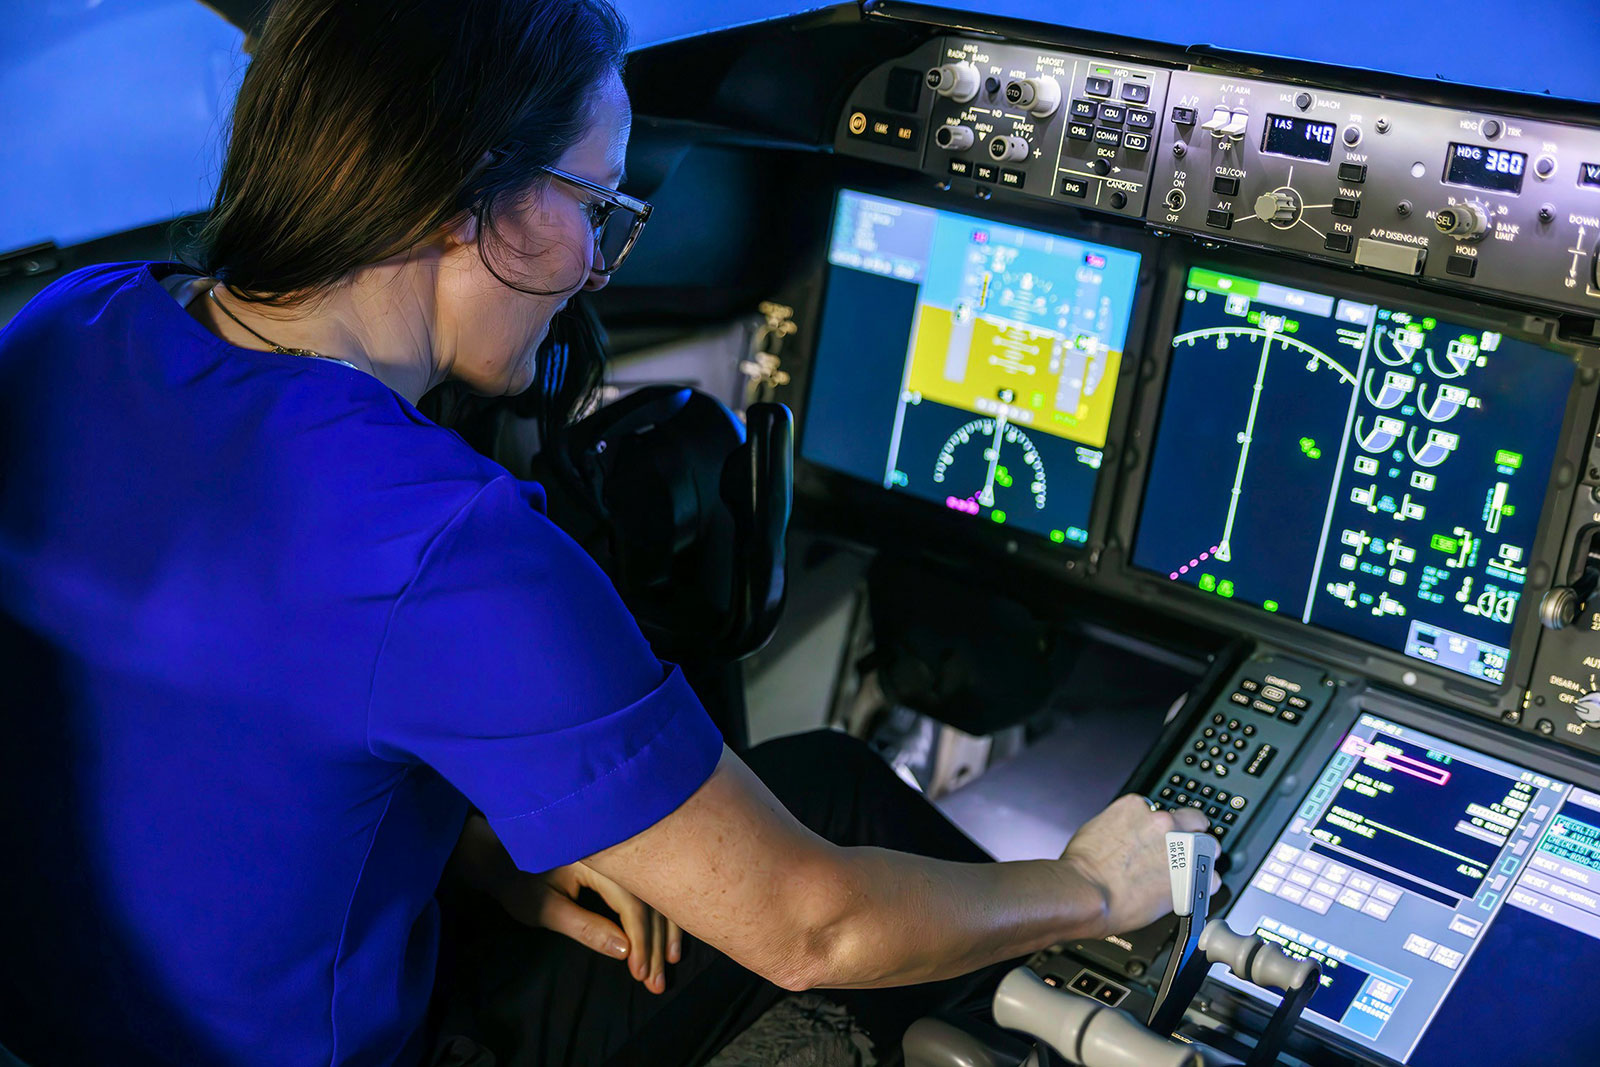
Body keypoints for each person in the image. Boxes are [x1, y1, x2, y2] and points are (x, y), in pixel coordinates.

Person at [0, 1, 1212, 1064]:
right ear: (465, 196)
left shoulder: (70, 323)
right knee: (839, 807)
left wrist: (472, 837)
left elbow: (196, 705)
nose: (594, 268)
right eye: (592, 204)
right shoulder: (443, 545)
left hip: (60, 1016)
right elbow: (814, 925)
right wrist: (1088, 886)